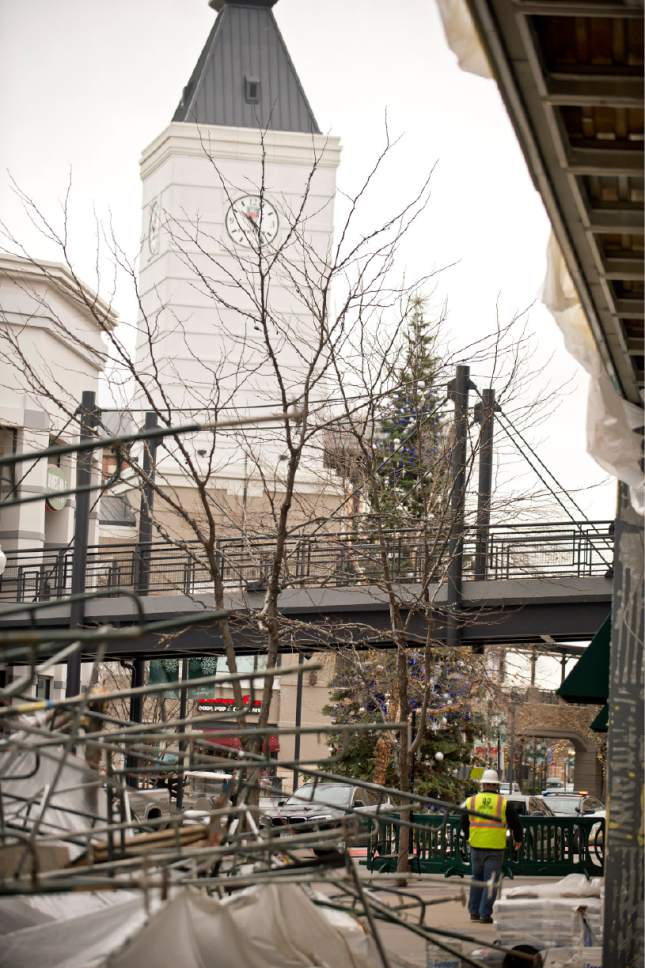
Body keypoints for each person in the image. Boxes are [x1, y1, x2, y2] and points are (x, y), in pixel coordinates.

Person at [460, 769, 523, 924]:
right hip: (495, 848)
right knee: (491, 881)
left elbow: (463, 822)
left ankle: (473, 912)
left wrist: (469, 837)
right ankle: (484, 914)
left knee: (477, 879)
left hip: (476, 846)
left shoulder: (471, 801)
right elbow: (515, 824)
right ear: (496, 786)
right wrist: (518, 840)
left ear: (482, 784)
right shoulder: (503, 803)